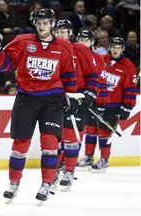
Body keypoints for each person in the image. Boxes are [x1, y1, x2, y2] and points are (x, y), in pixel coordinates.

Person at [0, 8, 77, 203]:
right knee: (19, 145)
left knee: (50, 143)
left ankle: (46, 184)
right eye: (38, 22)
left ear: (52, 24)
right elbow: (3, 65)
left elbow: (69, 75)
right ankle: (14, 183)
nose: (41, 26)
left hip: (52, 99)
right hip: (26, 98)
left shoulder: (64, 46)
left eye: (45, 22)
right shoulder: (22, 41)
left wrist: (73, 98)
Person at [53, 20, 99, 191]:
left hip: (76, 98)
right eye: (57, 31)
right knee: (55, 140)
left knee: (71, 139)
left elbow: (93, 75)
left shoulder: (80, 50)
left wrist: (90, 94)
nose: (60, 35)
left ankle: (69, 172)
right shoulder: (50, 50)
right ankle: (55, 170)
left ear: (70, 34)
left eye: (64, 32)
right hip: (55, 98)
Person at [86, 37, 136, 170]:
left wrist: (127, 106)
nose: (115, 49)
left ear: (123, 49)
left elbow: (130, 87)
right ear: (110, 47)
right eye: (113, 46)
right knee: (90, 130)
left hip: (113, 106)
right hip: (97, 102)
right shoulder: (102, 59)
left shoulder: (128, 66)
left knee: (104, 132)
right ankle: (88, 157)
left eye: (118, 47)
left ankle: (104, 159)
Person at [76, 30, 109, 168]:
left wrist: (100, 101)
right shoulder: (71, 53)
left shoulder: (97, 58)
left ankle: (87, 157)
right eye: (82, 39)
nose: (84, 42)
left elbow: (101, 81)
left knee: (85, 130)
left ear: (91, 42)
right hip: (74, 97)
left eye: (87, 40)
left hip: (90, 99)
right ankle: (69, 160)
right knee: (75, 131)